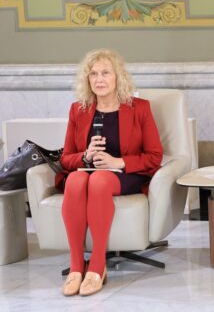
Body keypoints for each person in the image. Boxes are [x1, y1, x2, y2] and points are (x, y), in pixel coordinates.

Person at [58, 49, 163, 297]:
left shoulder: (139, 108)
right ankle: (76, 265)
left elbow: (154, 155)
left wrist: (118, 161)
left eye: (105, 73)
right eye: (93, 74)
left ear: (118, 77)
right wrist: (86, 156)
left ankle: (97, 265)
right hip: (88, 171)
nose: (99, 79)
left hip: (125, 173)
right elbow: (66, 158)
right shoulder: (78, 110)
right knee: (75, 179)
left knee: (100, 180)